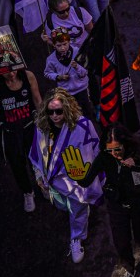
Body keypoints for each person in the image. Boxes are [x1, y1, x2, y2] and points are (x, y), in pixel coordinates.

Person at [77, 125, 140, 277]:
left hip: (138, 200)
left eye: (117, 149)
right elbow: (86, 179)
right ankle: (128, 269)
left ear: (125, 144)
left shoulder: (138, 151)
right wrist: (73, 175)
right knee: (121, 239)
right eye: (109, 150)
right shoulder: (105, 156)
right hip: (116, 203)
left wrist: (137, 164)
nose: (114, 154)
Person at [30, 89, 103, 263]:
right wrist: (39, 175)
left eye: (59, 111)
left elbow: (95, 149)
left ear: (67, 109)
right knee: (63, 206)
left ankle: (77, 238)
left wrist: (93, 178)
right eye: (50, 111)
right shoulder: (42, 128)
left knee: (77, 210)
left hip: (77, 181)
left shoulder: (83, 126)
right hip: (54, 182)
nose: (54, 116)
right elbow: (36, 153)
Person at [0, 66, 44, 212]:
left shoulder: (28, 76)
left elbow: (37, 99)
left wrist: (44, 123)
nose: (11, 74)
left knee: (37, 161)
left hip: (29, 127)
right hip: (10, 132)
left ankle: (43, 186)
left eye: (13, 70)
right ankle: (27, 192)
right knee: (17, 165)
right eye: (6, 71)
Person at [43, 28, 96, 120]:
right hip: (67, 93)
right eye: (59, 45)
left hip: (82, 89)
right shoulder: (51, 59)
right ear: (54, 45)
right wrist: (58, 77)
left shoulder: (77, 52)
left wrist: (77, 67)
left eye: (65, 44)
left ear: (69, 42)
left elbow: (85, 72)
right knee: (73, 116)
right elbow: (47, 73)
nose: (63, 48)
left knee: (88, 114)